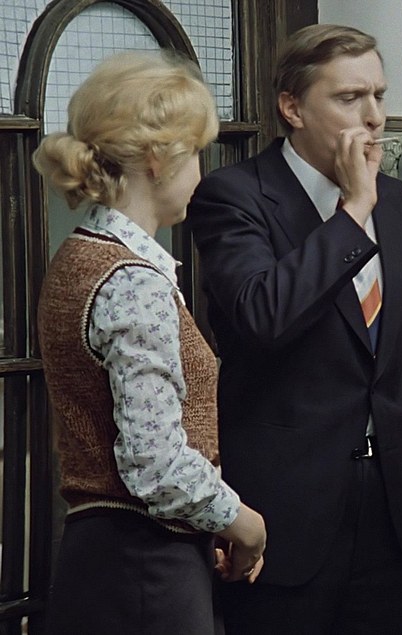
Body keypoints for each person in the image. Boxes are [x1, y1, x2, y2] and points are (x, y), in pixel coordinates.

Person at [186, 24, 402, 634]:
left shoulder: (394, 198)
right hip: (287, 511)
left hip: (395, 506)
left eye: (379, 96)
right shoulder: (234, 196)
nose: (373, 117)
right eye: (349, 98)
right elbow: (261, 317)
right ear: (293, 107)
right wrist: (352, 212)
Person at [34, 50, 267, 635]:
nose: (201, 175)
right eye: (196, 154)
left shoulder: (80, 256)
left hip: (108, 560)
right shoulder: (131, 280)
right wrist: (244, 523)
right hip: (144, 566)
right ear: (159, 159)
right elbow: (154, 462)